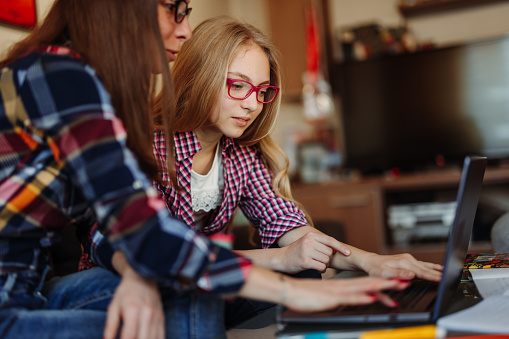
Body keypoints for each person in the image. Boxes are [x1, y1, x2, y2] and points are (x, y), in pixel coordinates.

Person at [0, 1, 412, 339]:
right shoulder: (59, 77)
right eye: (174, 10)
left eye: (262, 92)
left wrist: (367, 261)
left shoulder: (70, 78)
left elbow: (278, 222)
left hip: (31, 291)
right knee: (196, 292)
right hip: (27, 298)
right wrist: (288, 286)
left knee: (208, 286)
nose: (185, 30)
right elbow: (133, 234)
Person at [148, 16, 443, 327]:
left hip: (215, 282)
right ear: (199, 76)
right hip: (162, 283)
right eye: (237, 85)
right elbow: (161, 253)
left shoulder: (241, 156)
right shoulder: (148, 149)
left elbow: (288, 225)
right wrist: (277, 258)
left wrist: (370, 261)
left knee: (305, 266)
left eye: (261, 91)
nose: (252, 104)